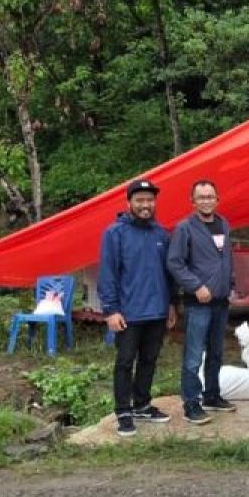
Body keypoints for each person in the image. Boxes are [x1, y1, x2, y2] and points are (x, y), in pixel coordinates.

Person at [98, 179, 177, 438]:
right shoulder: (114, 233)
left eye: (150, 200)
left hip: (157, 310)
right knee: (124, 362)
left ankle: (142, 404)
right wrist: (111, 310)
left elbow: (168, 273)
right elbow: (107, 274)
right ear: (129, 203)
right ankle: (123, 410)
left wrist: (172, 304)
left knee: (149, 360)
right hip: (128, 313)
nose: (145, 205)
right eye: (140, 200)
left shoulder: (161, 234)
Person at [166, 179, 236, 426]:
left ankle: (212, 395)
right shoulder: (185, 228)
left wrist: (232, 283)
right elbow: (175, 263)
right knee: (194, 355)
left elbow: (226, 257)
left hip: (221, 300)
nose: (206, 201)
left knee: (217, 352)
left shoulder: (224, 224)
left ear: (217, 199)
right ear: (193, 201)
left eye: (210, 196)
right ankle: (191, 402)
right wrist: (196, 286)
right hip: (198, 303)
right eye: (201, 197)